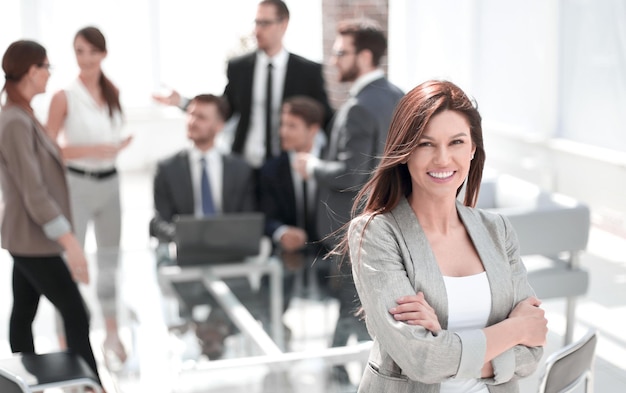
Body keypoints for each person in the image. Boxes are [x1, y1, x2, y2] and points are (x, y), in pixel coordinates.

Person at [343, 80, 547, 392]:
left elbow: (532, 353)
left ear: (473, 149)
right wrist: (516, 328)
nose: (442, 159)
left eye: (456, 142)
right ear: (405, 151)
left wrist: (445, 343)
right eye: (426, 144)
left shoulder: (498, 231)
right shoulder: (376, 233)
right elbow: (423, 361)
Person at [293, 19, 404, 373]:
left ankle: (336, 375)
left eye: (341, 52)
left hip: (352, 228)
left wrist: (311, 166)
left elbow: (351, 173)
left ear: (366, 56)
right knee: (367, 310)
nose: (334, 60)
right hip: (391, 222)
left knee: (349, 309)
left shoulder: (359, 105)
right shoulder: (399, 97)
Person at [0, 40, 102, 383]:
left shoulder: (23, 114)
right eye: (46, 67)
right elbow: (34, 192)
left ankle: (24, 382)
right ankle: (92, 386)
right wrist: (72, 244)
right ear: (31, 71)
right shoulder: (14, 120)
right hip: (32, 238)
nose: (49, 75)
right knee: (76, 312)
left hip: (29, 236)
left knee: (24, 311)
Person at [153, 0, 333, 171]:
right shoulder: (239, 68)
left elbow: (324, 116)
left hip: (288, 166)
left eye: (265, 23)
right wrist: (183, 102)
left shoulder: (308, 71)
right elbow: (224, 109)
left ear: (283, 24)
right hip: (246, 162)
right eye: (256, 23)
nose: (257, 30)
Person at [46, 26, 132, 367]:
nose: (85, 58)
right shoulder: (63, 95)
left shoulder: (113, 92)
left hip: (110, 184)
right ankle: (66, 340)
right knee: (73, 264)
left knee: (110, 260)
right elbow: (49, 148)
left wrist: (115, 147)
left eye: (91, 51)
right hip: (77, 185)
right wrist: (90, 149)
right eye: (79, 51)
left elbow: (115, 132)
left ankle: (112, 330)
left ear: (103, 54)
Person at [149, 93, 256, 359]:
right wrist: (183, 234)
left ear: (219, 126)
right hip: (185, 265)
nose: (192, 121)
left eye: (201, 116)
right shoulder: (167, 168)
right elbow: (158, 220)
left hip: (234, 263)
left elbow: (249, 216)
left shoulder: (240, 169)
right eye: (191, 114)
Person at [259, 96, 328, 304]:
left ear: (313, 129)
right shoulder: (270, 170)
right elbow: (263, 216)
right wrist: (281, 232)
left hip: (331, 264)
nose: (283, 132)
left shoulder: (332, 165)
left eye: (292, 126)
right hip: (285, 263)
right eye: (282, 125)